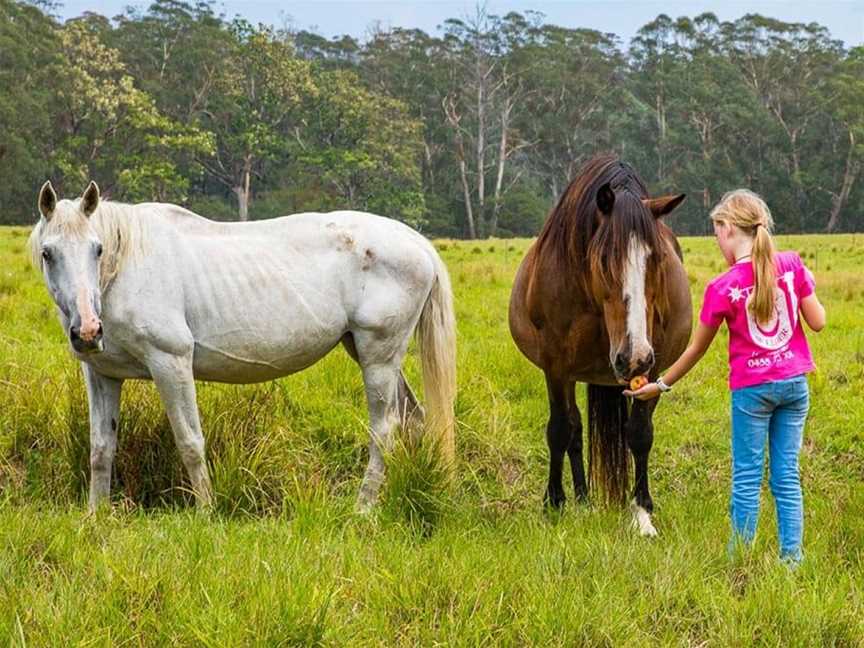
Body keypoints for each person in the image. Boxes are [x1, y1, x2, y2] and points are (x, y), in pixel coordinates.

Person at [625, 189, 826, 564]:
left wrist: (661, 385)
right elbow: (818, 323)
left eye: (717, 231)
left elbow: (695, 350)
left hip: (752, 393)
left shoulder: (721, 288)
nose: (717, 240)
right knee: (787, 478)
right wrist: (807, 283)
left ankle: (740, 562)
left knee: (747, 479)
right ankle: (791, 562)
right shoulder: (793, 265)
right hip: (795, 386)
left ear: (730, 229)